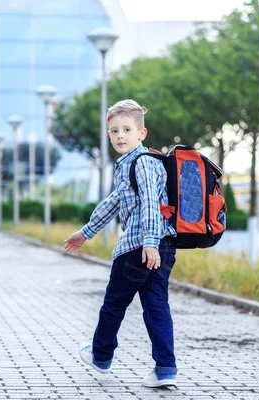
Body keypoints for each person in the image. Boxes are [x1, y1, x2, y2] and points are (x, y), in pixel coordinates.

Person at [63, 99, 178, 388]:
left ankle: (100, 356)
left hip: (140, 247)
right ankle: (165, 369)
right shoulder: (131, 164)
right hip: (161, 246)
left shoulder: (141, 163)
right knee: (156, 307)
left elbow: (151, 202)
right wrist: (86, 232)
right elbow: (113, 203)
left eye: (126, 129)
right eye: (114, 131)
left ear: (142, 133)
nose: (119, 136)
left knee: (114, 304)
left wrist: (149, 242)